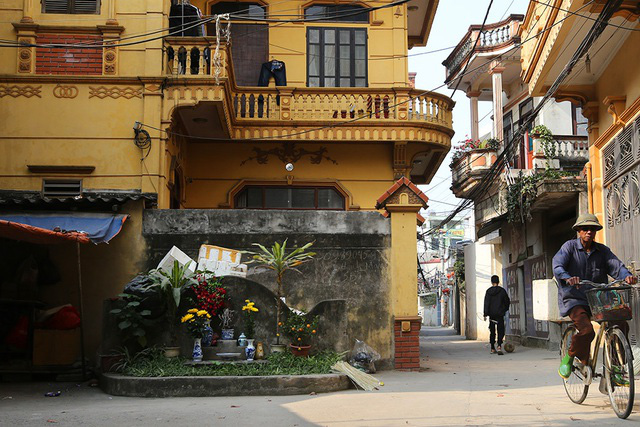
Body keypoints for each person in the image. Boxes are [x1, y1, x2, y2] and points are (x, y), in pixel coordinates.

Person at [553, 213, 637, 379]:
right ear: (579, 231)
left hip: (599, 299)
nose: (589, 232)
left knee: (621, 324)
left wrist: (626, 275)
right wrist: (567, 277)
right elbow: (557, 265)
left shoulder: (603, 251)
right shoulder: (569, 247)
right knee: (587, 330)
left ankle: (615, 370)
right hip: (575, 298)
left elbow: (617, 266)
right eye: (585, 229)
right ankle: (569, 357)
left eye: (592, 229)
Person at [484, 275, 510, 355]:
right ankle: (499, 346)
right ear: (498, 281)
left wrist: (485, 313)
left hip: (492, 314)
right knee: (500, 330)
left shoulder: (488, 291)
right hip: (500, 314)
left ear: (491, 282)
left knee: (492, 331)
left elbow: (486, 303)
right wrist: (504, 309)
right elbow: (507, 301)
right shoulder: (502, 291)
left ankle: (492, 347)